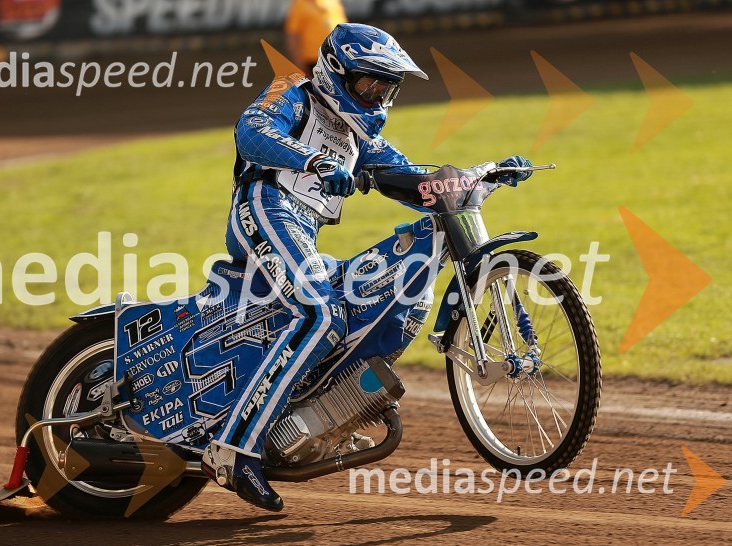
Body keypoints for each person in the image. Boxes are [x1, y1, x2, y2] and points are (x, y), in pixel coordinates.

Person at [202, 23, 533, 512]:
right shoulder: (291, 91)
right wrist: (313, 161)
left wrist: (482, 176)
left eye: (387, 87)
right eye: (369, 83)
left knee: (373, 306)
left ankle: (316, 408)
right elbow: (252, 133)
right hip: (264, 208)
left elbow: (418, 182)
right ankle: (233, 449)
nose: (378, 96)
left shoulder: (361, 138)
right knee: (322, 314)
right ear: (335, 72)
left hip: (302, 233)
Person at [285, 0, 347, 77]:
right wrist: (299, 63)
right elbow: (294, 35)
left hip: (336, 55)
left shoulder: (333, 2)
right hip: (314, 59)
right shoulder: (300, 4)